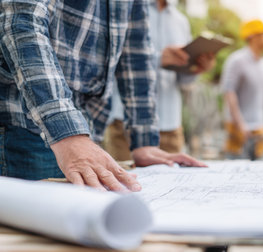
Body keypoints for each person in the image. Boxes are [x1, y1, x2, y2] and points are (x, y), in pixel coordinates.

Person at [0, 0, 205, 193]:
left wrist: (145, 142)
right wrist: (67, 133)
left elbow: (136, 52)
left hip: (86, 130)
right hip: (23, 122)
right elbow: (22, 23)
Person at [104, 0, 216, 160]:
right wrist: (158, 59)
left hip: (170, 125)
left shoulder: (181, 21)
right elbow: (109, 61)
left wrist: (197, 68)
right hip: (126, 124)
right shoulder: (125, 8)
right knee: (125, 182)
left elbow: (184, 82)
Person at [221, 19, 263, 160]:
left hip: (260, 127)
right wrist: (240, 123)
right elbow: (229, 92)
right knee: (236, 170)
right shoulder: (236, 61)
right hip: (238, 129)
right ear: (251, 37)